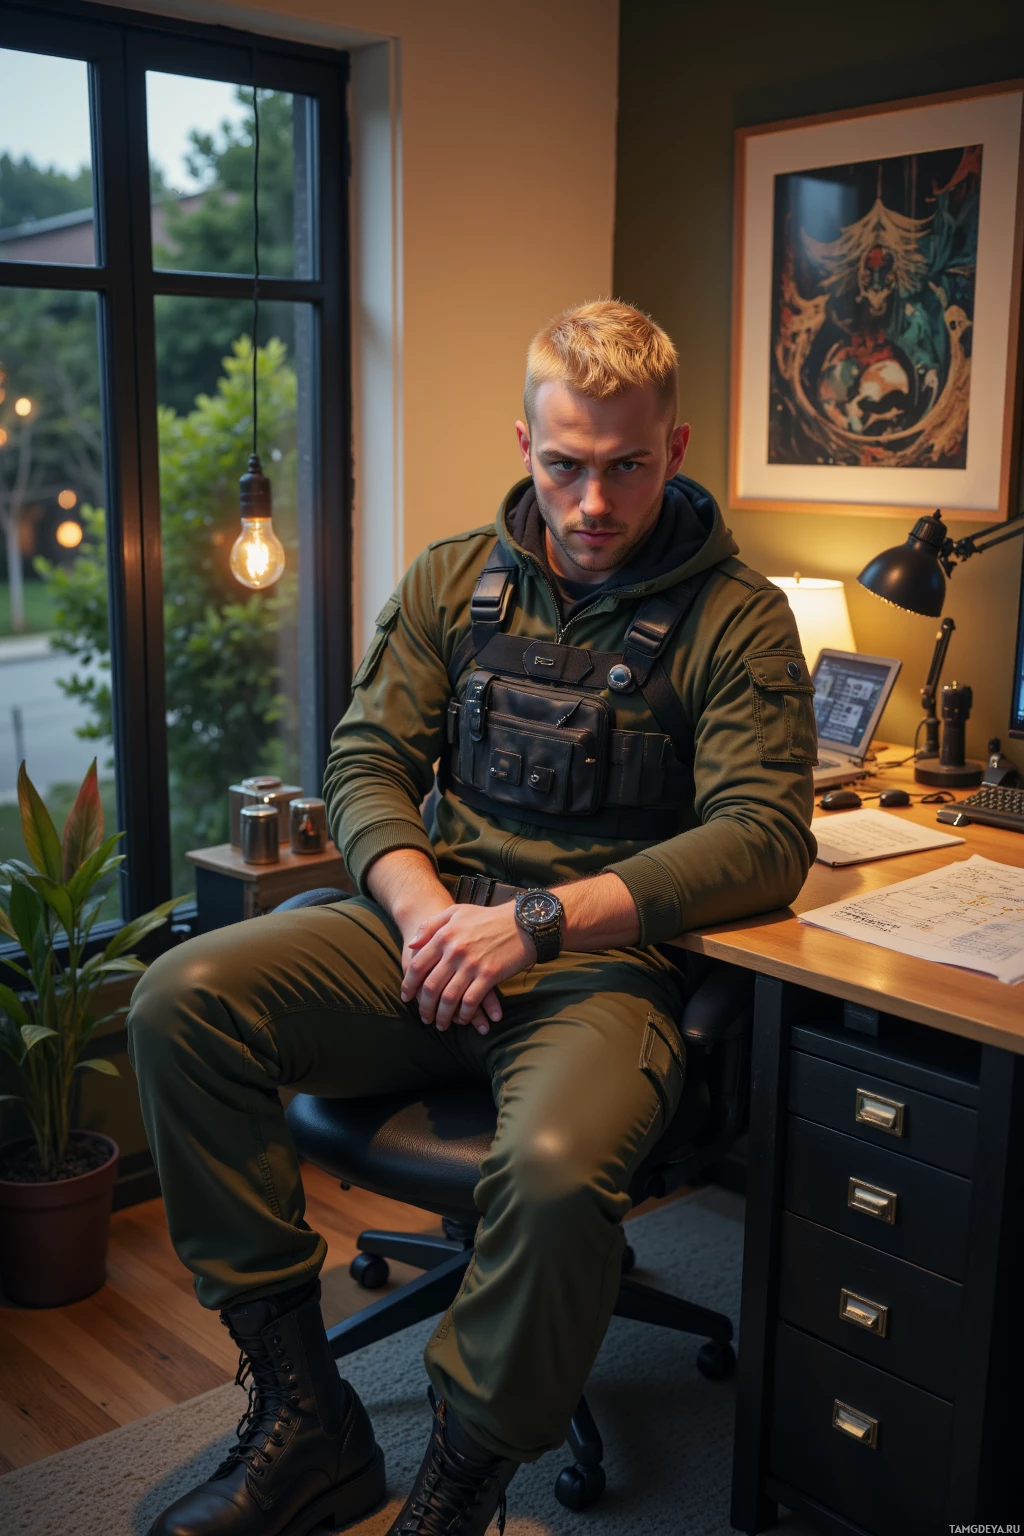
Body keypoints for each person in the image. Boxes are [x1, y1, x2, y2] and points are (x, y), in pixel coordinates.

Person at [129, 299, 817, 1536]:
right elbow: (363, 766)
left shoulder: (737, 618)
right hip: (424, 929)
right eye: (564, 466)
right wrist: (426, 907)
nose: (593, 505)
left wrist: (538, 923)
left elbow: (764, 837)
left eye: (626, 467)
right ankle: (306, 1419)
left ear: (677, 446)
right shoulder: (454, 579)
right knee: (183, 997)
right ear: (523, 444)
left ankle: (457, 1490)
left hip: (595, 969)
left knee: (552, 1177)